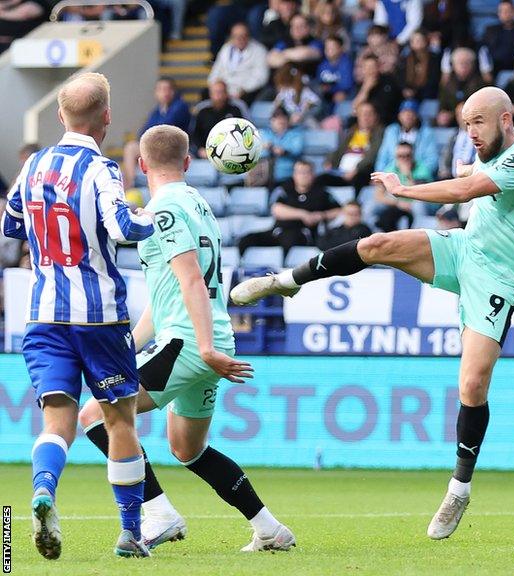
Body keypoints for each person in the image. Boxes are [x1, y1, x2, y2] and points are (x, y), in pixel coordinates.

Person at [231, 86, 514, 542]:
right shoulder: (487, 152)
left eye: (478, 122)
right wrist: (458, 166)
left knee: (472, 383)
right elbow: (468, 172)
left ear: (506, 119)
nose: (471, 133)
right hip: (465, 250)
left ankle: (459, 487)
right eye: (465, 125)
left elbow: (466, 188)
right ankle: (284, 282)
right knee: (376, 245)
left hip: (500, 279)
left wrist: (405, 189)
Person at [74, 124, 295, 553]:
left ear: (139, 165)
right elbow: (168, 293)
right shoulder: (197, 203)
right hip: (203, 339)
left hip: (190, 344)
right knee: (187, 448)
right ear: (189, 163)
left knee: (95, 416)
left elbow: (192, 280)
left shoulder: (164, 209)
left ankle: (158, 513)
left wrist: (206, 349)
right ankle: (270, 529)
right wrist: (132, 345)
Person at [1, 72, 156, 559]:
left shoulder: (33, 165)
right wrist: (164, 211)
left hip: (43, 314)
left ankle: (44, 490)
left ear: (58, 115)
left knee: (57, 422)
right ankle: (131, 534)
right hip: (99, 316)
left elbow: (10, 223)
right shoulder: (102, 169)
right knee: (120, 421)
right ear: (107, 117)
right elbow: (125, 226)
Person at [238, 159, 342, 256]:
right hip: (277, 231)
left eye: (307, 172)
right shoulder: (285, 189)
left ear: (313, 174)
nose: (303, 176)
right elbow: (276, 209)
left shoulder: (321, 193)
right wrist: (303, 214)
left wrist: (321, 215)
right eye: (300, 172)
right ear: (294, 174)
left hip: (302, 233)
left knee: (290, 239)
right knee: (247, 239)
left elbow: (339, 210)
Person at [122, 78, 192, 188]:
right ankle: (131, 184)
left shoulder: (180, 106)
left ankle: (131, 186)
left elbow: (164, 128)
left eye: (167, 89)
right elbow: (144, 131)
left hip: (174, 147)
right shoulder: (157, 110)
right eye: (160, 89)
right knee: (131, 148)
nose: (164, 93)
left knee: (131, 148)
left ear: (173, 91)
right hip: (158, 146)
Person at [319, 102, 384, 190]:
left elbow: (372, 156)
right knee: (320, 179)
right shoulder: (352, 132)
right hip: (341, 172)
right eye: (362, 114)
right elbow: (338, 150)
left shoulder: (379, 134)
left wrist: (356, 170)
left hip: (361, 173)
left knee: (359, 178)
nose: (365, 117)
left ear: (376, 116)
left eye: (369, 114)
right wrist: (329, 160)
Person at [376, 142, 434, 231]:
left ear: (413, 155)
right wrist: (398, 203)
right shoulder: (391, 168)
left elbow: (420, 193)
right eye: (400, 156)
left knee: (418, 206)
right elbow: (378, 195)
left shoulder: (422, 168)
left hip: (417, 201)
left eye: (407, 155)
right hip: (398, 202)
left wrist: (407, 174)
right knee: (372, 207)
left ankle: (419, 234)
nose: (404, 159)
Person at [208, 23, 270, 105]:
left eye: (243, 36)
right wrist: (215, 86)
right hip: (224, 90)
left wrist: (243, 90)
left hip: (245, 91)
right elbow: (216, 71)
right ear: (231, 37)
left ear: (248, 36)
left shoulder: (259, 51)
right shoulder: (226, 49)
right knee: (206, 93)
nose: (239, 39)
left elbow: (261, 77)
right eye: (236, 36)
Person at [376, 99, 439, 175]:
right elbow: (382, 158)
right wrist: (383, 175)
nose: (408, 116)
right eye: (404, 113)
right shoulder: (391, 131)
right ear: (399, 115)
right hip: (392, 175)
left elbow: (432, 161)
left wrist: (414, 174)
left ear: (417, 116)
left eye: (411, 113)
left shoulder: (427, 133)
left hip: (417, 178)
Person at [192, 80, 248, 159]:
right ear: (210, 94)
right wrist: (200, 149)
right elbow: (195, 134)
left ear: (226, 93)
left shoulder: (235, 110)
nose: (218, 95)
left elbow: (244, 131)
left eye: (221, 92)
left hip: (232, 153)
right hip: (206, 153)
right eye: (215, 92)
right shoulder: (203, 112)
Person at [438, 48, 486, 127]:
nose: (464, 66)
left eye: (467, 63)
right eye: (460, 63)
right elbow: (443, 106)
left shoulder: (480, 82)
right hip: (452, 122)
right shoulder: (447, 84)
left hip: (475, 121)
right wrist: (445, 114)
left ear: (473, 65)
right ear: (453, 65)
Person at [350, 54, 403, 126]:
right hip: (366, 124)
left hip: (387, 121)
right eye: (367, 67)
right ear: (363, 70)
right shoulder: (360, 86)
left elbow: (389, 105)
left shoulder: (389, 81)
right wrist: (366, 89)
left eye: (373, 67)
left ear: (378, 67)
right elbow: (354, 110)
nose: (370, 70)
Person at [483, 0, 514, 76]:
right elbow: (483, 51)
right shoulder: (490, 30)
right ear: (498, 13)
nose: (505, 14)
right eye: (502, 11)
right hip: (495, 71)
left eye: (508, 10)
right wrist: (486, 70)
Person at [264, 107, 304, 184]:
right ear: (271, 121)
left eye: (282, 118)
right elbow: (258, 152)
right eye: (276, 118)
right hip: (264, 177)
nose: (280, 120)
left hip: (287, 177)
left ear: (287, 120)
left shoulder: (296, 134)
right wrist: (269, 148)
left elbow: (297, 150)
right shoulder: (264, 133)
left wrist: (284, 151)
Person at [316, 35, 355, 113]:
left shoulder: (346, 63)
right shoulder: (322, 65)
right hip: (326, 98)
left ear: (341, 48)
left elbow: (346, 85)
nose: (329, 50)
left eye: (332, 47)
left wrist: (330, 88)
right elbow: (319, 83)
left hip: (344, 97)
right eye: (327, 48)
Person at [399, 30, 441, 101]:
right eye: (414, 40)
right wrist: (405, 89)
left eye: (419, 40)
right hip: (409, 96)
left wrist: (416, 91)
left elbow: (434, 79)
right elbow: (400, 77)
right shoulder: (405, 59)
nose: (417, 42)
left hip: (429, 95)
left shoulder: (434, 58)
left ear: (425, 41)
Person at [440, 101, 477, 180]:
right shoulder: (453, 136)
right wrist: (444, 171)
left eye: (463, 113)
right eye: (458, 114)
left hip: (473, 177)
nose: (461, 117)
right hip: (453, 178)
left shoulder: (479, 135)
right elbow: (445, 157)